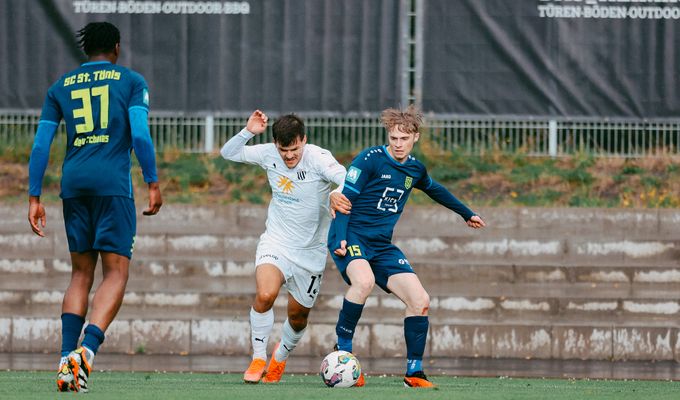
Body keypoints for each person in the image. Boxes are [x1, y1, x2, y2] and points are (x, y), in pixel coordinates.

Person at [27, 22, 162, 393]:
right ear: (117, 48)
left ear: (87, 51)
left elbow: (41, 146)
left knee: (79, 274)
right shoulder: (131, 81)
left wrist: (34, 197)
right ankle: (86, 352)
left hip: (73, 186)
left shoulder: (60, 86)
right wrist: (152, 180)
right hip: (111, 186)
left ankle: (64, 358)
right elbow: (139, 133)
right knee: (115, 273)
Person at [328, 105, 486, 388]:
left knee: (420, 300)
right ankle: (342, 351)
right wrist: (340, 236)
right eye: (394, 138)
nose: (398, 144)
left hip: (381, 246)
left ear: (416, 138)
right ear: (388, 137)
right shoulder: (369, 160)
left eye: (404, 138)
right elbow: (343, 201)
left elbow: (434, 188)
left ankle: (414, 371)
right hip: (351, 237)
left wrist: (466, 213)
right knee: (362, 282)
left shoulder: (414, 168)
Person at [220, 110, 350, 384]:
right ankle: (258, 358)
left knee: (298, 317)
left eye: (294, 150)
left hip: (310, 252)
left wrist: (338, 193)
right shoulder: (268, 153)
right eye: (283, 151)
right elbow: (227, 153)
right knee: (265, 294)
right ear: (276, 145)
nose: (289, 156)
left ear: (304, 140)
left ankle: (279, 358)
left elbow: (346, 176)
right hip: (276, 242)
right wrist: (248, 132)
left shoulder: (318, 158)